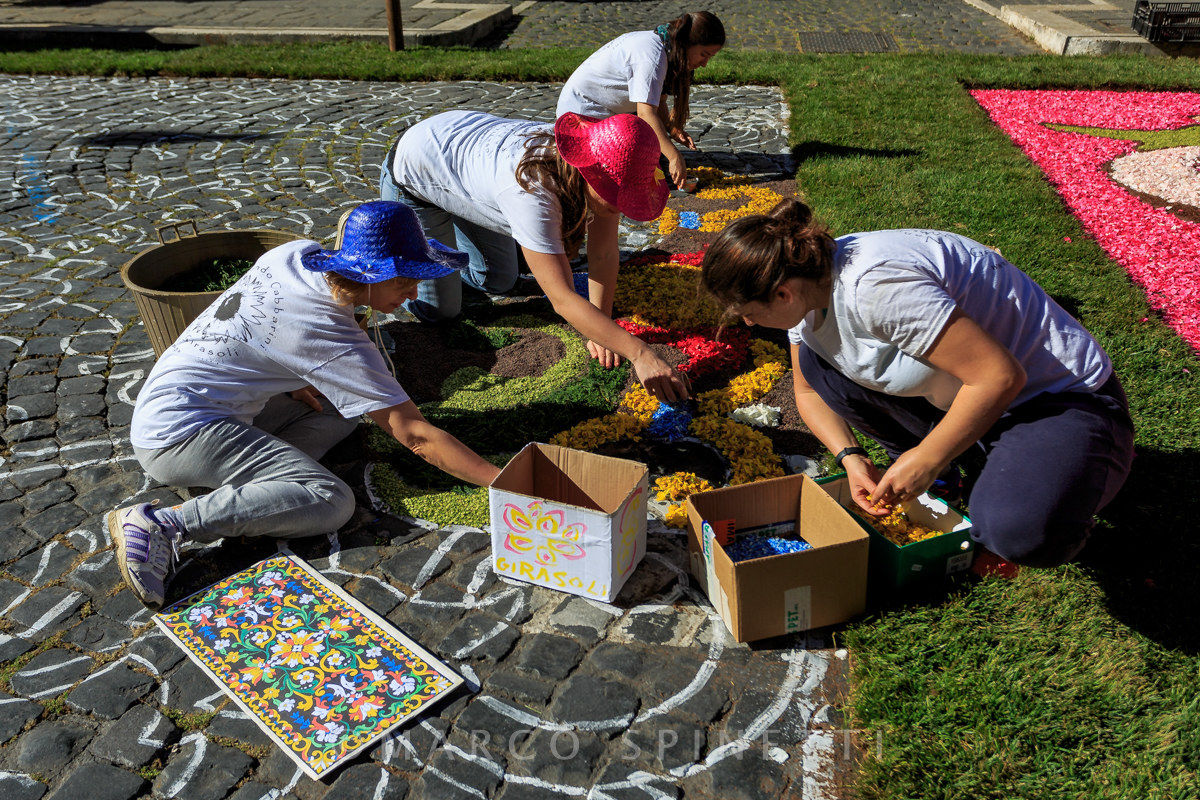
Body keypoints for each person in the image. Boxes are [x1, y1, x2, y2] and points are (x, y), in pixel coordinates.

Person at [108, 201, 502, 609]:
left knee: (345, 408)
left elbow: (257, 326)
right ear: (369, 275)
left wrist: (295, 383)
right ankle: (165, 524)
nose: (413, 293)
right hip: (176, 438)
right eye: (404, 281)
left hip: (178, 399)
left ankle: (260, 488)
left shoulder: (296, 255)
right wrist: (503, 482)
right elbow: (417, 437)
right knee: (331, 501)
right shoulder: (331, 339)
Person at [700, 198, 1135, 568]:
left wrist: (926, 456)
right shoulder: (807, 282)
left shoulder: (878, 287)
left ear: (782, 293)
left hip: (1054, 400)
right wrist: (851, 458)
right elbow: (809, 390)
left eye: (748, 312)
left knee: (1017, 531)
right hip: (974, 390)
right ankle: (957, 468)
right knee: (819, 365)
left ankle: (1063, 479)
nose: (747, 323)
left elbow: (1000, 376)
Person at [382, 109, 688, 401]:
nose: (621, 207)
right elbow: (562, 298)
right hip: (415, 176)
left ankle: (453, 240)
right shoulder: (531, 194)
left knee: (499, 281)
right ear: (591, 176)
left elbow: (604, 254)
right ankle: (403, 259)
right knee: (441, 311)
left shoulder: (596, 159)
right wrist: (640, 353)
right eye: (617, 196)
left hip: (460, 167)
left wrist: (602, 327)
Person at [556, 11, 725, 189]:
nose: (705, 63)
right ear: (687, 43)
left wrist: (672, 129)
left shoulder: (666, 47)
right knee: (635, 166)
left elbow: (657, 102)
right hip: (580, 118)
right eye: (704, 54)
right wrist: (674, 156)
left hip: (606, 112)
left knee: (649, 154)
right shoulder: (652, 56)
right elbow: (646, 114)